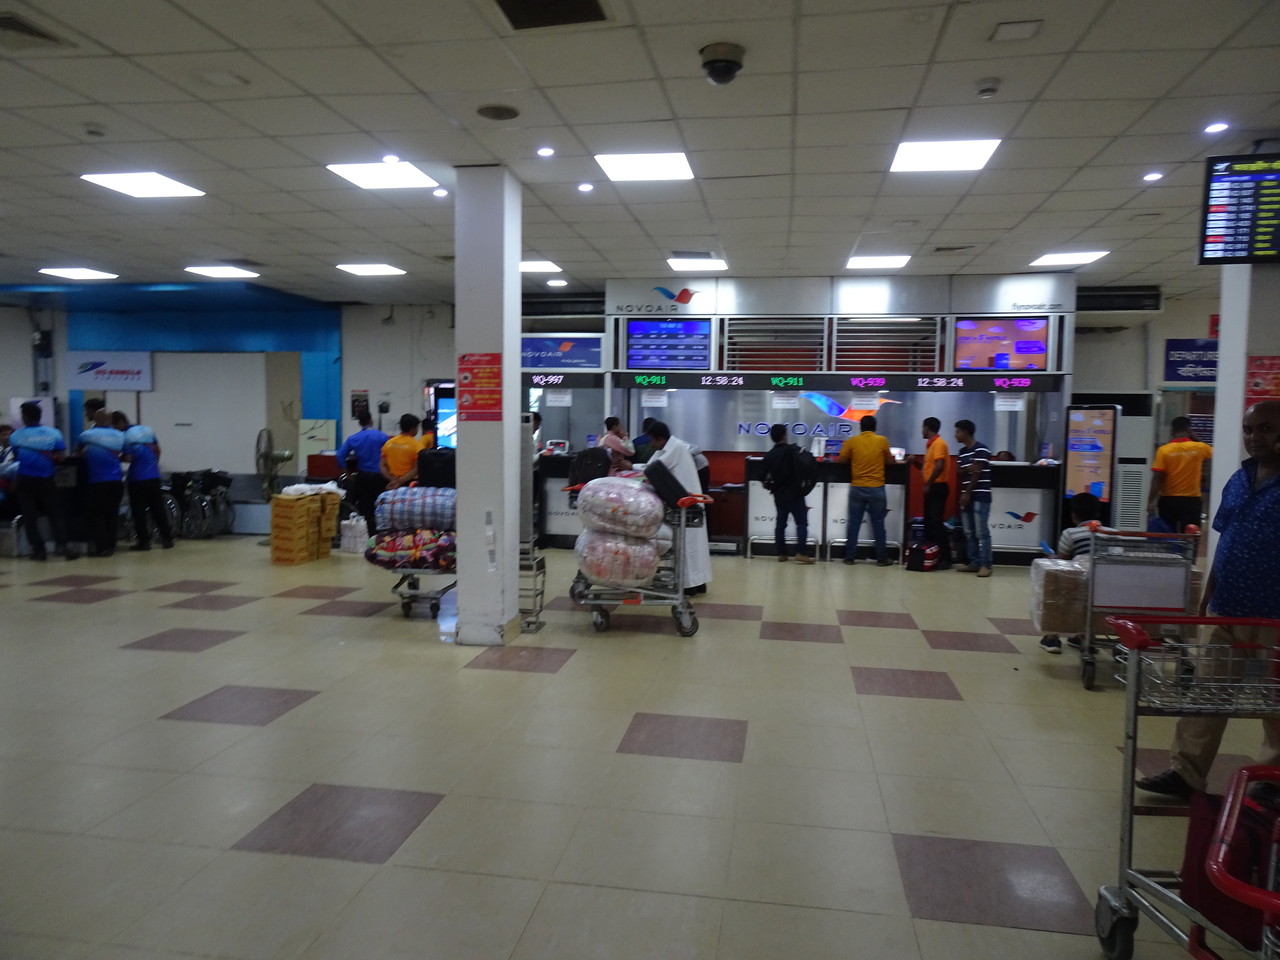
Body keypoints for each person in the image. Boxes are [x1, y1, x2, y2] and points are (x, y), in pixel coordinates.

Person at [1137, 400, 1280, 799]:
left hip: (1274, 614)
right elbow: (1227, 537)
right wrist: (1210, 590)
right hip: (1227, 606)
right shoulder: (1240, 478)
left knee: (1276, 702)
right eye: (1249, 429)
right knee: (1207, 693)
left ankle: (1272, 780)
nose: (1254, 437)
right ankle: (1186, 773)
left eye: (1266, 429)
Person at [1039, 492, 1115, 654]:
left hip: (1079, 586)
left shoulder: (1070, 533)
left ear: (1074, 516)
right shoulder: (1112, 533)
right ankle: (1084, 636)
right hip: (1108, 587)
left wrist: (1051, 557)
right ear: (1098, 513)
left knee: (1053, 580)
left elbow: (1062, 564)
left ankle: (1052, 637)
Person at [647, 421, 712, 594]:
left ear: (660, 439)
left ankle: (689, 586)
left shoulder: (675, 448)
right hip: (684, 502)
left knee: (687, 546)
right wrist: (633, 468)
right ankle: (698, 583)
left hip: (687, 505)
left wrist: (630, 469)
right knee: (693, 546)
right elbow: (650, 465)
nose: (651, 444)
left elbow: (653, 468)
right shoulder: (668, 448)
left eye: (652, 440)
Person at [11, 401, 77, 561]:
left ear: (25, 416)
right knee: (55, 514)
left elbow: (16, 456)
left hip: (25, 479)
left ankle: (38, 550)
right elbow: (61, 458)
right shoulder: (54, 433)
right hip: (47, 479)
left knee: (30, 516)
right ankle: (63, 546)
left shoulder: (16, 436)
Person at [836, 415, 894, 566]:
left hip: (857, 487)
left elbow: (842, 460)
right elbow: (890, 461)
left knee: (854, 523)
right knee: (878, 523)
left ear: (860, 427)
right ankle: (882, 558)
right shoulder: (882, 440)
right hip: (877, 488)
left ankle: (850, 557)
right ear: (875, 427)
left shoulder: (852, 441)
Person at [113, 411, 174, 551]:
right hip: (154, 476)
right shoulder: (147, 430)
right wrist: (152, 465)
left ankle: (144, 542)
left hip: (137, 478)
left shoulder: (125, 436)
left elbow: (128, 458)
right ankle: (167, 539)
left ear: (119, 422)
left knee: (138, 511)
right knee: (158, 509)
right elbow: (158, 451)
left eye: (115, 426)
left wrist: (116, 457)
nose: (115, 430)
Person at [1148, 416, 1212, 532]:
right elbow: (1215, 453)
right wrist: (1196, 438)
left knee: (1167, 535)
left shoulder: (1163, 450)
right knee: (1190, 536)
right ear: (1189, 430)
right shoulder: (1200, 447)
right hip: (1191, 501)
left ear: (1172, 431)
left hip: (1168, 500)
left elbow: (1157, 478)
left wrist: (1150, 501)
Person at [763, 423, 815, 564]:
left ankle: (781, 553)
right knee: (801, 523)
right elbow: (807, 463)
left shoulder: (769, 455)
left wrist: (770, 486)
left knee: (781, 523)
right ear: (784, 435)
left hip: (779, 494)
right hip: (795, 494)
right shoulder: (792, 450)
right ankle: (801, 553)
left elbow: (762, 475)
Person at [78, 408, 124, 557]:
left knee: (98, 515)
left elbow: (78, 452)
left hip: (97, 481)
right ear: (110, 420)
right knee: (112, 514)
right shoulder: (120, 435)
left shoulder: (87, 435)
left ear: (96, 419)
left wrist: (86, 453)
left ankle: (102, 547)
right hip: (116, 480)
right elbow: (122, 454)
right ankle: (111, 545)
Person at [335, 411, 389, 536]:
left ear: (359, 423)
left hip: (363, 477)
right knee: (380, 506)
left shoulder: (353, 438)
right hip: (380, 477)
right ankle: (380, 535)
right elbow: (390, 454)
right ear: (371, 420)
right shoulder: (382, 436)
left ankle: (366, 535)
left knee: (364, 507)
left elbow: (340, 455)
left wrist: (347, 473)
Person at [954, 419, 992, 577]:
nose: (955, 435)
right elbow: (958, 472)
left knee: (981, 532)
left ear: (966, 432)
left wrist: (967, 493)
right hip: (967, 496)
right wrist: (967, 469)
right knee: (969, 532)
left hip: (980, 495)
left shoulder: (981, 448)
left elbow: (977, 473)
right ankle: (974, 563)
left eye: (957, 431)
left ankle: (986, 565)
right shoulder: (962, 452)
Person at [919, 416, 953, 570]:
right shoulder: (931, 445)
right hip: (932, 487)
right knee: (930, 523)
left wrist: (928, 484)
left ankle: (946, 557)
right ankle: (932, 555)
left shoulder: (939, 444)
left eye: (923, 427)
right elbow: (929, 469)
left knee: (937, 523)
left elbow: (939, 466)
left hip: (937, 487)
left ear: (927, 428)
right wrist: (914, 462)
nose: (922, 431)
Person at [381, 413, 424, 489]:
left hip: (390, 483)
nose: (417, 430)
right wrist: (400, 481)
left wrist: (393, 480)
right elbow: (417, 468)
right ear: (412, 428)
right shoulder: (417, 445)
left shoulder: (388, 443)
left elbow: (382, 466)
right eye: (417, 427)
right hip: (409, 484)